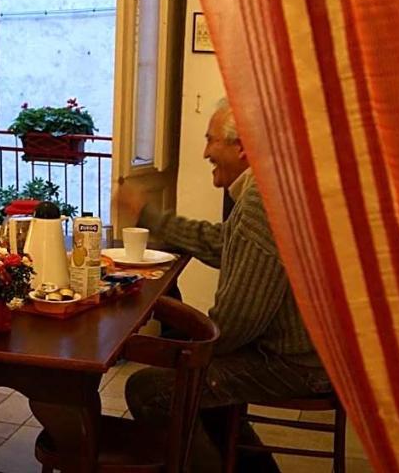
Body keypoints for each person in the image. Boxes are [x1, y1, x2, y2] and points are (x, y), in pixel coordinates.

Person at [118, 98, 331, 473]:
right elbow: (221, 243)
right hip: (313, 354)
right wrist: (150, 216)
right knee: (193, 371)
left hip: (298, 364)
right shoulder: (271, 188)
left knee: (151, 390)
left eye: (210, 140)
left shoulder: (262, 202)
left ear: (242, 147)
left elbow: (237, 322)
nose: (205, 152)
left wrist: (185, 346)